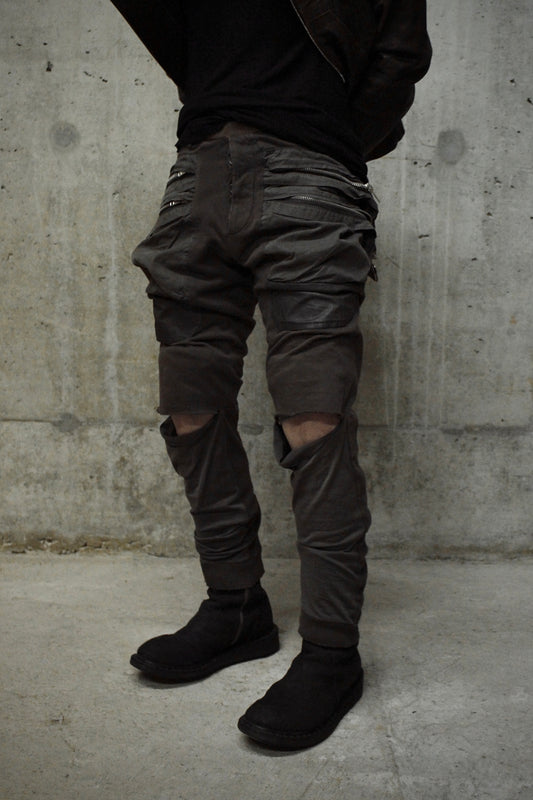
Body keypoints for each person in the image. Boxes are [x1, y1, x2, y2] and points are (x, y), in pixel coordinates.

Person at [110, 0, 431, 749]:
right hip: (195, 177)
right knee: (190, 406)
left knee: (312, 418)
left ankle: (330, 653)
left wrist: (325, 137)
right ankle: (235, 609)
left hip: (309, 183)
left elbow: (400, 56)